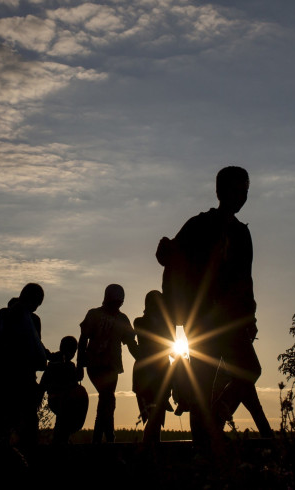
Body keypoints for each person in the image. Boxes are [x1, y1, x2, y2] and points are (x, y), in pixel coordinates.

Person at [156, 166, 268, 450]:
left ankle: (218, 414)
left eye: (246, 190)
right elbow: (169, 257)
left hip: (231, 318)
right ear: (220, 191)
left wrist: (250, 313)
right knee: (202, 384)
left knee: (249, 370)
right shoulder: (199, 224)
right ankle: (202, 446)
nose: (242, 195)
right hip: (204, 317)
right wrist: (166, 249)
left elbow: (246, 278)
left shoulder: (242, 233)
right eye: (237, 189)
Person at [0, 283, 48, 456]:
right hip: (12, 375)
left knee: (17, 416)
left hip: (13, 375)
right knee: (8, 415)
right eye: (37, 302)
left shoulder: (28, 319)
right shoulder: (11, 315)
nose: (36, 307)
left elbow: (37, 345)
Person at [77, 284, 137, 443]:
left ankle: (104, 438)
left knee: (107, 400)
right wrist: (79, 365)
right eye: (115, 302)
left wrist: (142, 356)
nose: (117, 305)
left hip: (112, 367)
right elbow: (83, 340)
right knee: (107, 398)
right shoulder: (94, 314)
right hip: (95, 365)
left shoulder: (122, 319)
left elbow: (131, 343)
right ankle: (105, 438)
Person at [132, 290, 174, 445]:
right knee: (154, 416)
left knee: (156, 416)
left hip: (158, 374)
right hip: (150, 375)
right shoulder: (141, 322)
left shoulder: (157, 324)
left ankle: (150, 452)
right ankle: (149, 452)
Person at [40, 336, 88, 445]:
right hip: (62, 401)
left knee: (62, 424)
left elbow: (44, 383)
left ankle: (61, 440)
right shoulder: (58, 363)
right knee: (63, 423)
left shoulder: (57, 362)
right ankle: (60, 441)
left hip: (63, 401)